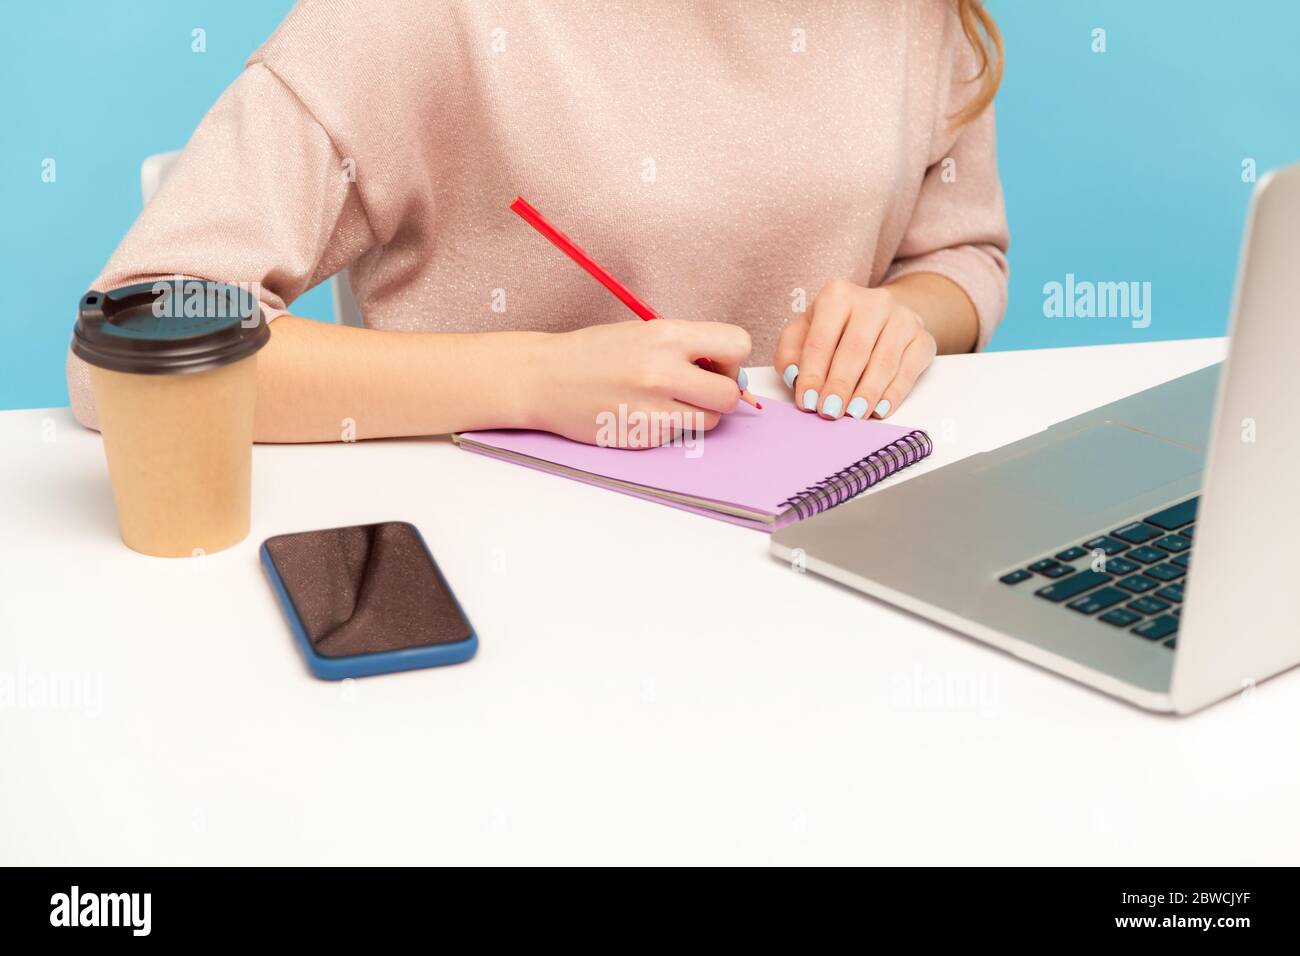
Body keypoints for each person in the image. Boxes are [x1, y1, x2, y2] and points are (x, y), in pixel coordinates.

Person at [68, 0, 1008, 445]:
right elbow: (120, 357)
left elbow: (962, 254)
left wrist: (912, 318)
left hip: (823, 571)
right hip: (507, 587)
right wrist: (533, 377)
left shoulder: (918, 15)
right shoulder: (411, 20)